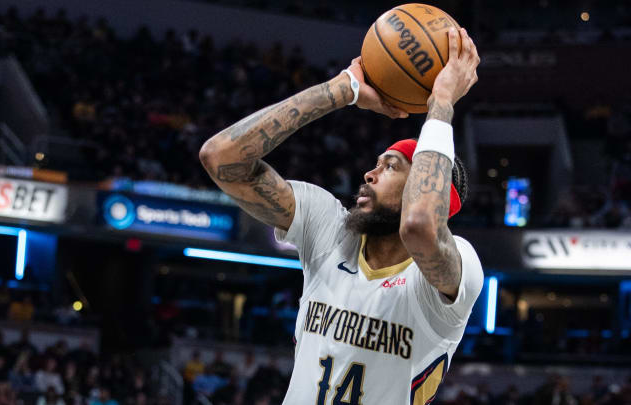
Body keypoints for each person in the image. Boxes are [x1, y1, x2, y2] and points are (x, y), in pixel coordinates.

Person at [200, 27, 482, 404]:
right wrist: (341, 90)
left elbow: (420, 227)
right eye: (376, 163)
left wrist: (442, 103)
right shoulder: (333, 231)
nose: (370, 173)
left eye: (392, 166)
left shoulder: (457, 268)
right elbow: (221, 158)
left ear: (427, 189)